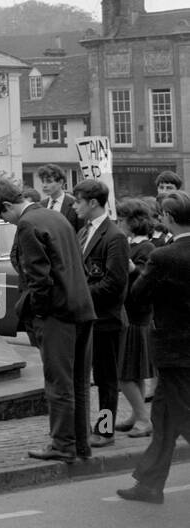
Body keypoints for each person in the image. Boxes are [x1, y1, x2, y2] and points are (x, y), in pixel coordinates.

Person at [0, 177, 94, 462]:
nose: (5, 221)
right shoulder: (55, 216)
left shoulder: (28, 224)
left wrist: (37, 312)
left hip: (58, 314)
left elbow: (39, 278)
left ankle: (62, 445)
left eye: (2, 215)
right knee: (79, 383)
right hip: (82, 307)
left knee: (58, 383)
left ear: (8, 205)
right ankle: (80, 443)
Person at [117, 191, 190, 504]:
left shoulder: (164, 256)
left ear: (169, 218)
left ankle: (149, 483)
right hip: (181, 350)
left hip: (174, 350)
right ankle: (149, 483)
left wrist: (136, 273)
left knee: (182, 417)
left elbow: (138, 297)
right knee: (163, 418)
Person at [73, 179, 129, 447]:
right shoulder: (83, 232)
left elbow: (115, 283)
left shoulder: (114, 236)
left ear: (93, 202)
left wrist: (80, 295)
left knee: (107, 380)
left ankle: (105, 430)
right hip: (86, 317)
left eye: (78, 201)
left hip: (106, 319)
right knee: (88, 376)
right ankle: (83, 425)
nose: (74, 206)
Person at [114, 198, 155, 437]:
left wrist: (131, 269)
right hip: (130, 314)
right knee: (133, 372)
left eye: (121, 219)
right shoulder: (131, 245)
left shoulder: (145, 248)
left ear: (134, 221)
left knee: (124, 374)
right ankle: (136, 414)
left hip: (136, 317)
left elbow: (145, 281)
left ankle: (143, 417)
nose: (118, 223)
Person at [36, 165, 82, 232]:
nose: (44, 185)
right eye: (43, 181)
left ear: (60, 182)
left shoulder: (74, 204)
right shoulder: (40, 205)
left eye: (49, 181)